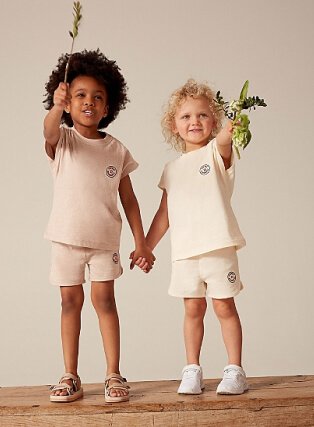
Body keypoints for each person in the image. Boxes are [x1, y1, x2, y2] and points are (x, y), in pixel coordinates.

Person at [43, 49, 154, 403]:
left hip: (106, 241)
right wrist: (54, 110)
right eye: (79, 95)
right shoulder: (64, 141)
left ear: (108, 107)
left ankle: (113, 373)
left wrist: (142, 242)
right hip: (65, 240)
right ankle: (70, 374)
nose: (88, 101)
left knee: (104, 300)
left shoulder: (116, 151)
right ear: (67, 102)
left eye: (97, 97)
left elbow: (130, 201)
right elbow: (48, 130)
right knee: (69, 302)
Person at [141, 79, 248, 395]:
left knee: (224, 307)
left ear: (213, 122)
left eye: (202, 115)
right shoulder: (171, 169)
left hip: (217, 249)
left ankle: (235, 370)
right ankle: (192, 370)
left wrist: (232, 125)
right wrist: (146, 245)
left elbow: (227, 138)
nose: (194, 122)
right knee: (192, 310)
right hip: (185, 254)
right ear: (174, 126)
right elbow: (165, 215)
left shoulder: (217, 153)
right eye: (186, 117)